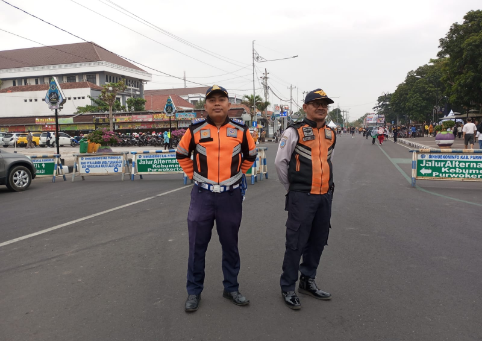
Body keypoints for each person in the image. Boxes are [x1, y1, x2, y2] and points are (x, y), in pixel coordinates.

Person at [176, 85, 257, 312]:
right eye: (212, 100)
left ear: (229, 105)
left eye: (222, 99)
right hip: (202, 196)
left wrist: (239, 174)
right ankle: (194, 292)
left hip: (230, 197)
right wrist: (193, 175)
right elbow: (181, 154)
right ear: (206, 106)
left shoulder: (241, 130)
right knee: (196, 247)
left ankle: (231, 288)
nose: (217, 103)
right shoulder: (195, 130)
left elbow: (250, 154)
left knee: (230, 245)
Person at [274, 88, 336, 310]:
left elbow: (328, 162)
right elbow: (280, 163)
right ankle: (288, 286)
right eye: (316, 103)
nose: (321, 107)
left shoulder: (330, 133)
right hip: (302, 196)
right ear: (306, 107)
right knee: (296, 243)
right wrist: (293, 188)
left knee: (318, 240)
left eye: (324, 104)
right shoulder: (293, 132)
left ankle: (307, 280)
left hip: (324, 196)